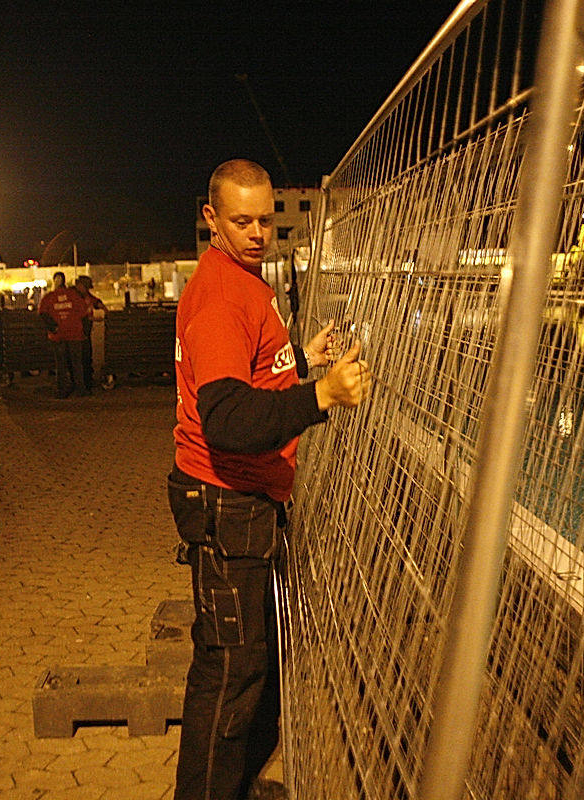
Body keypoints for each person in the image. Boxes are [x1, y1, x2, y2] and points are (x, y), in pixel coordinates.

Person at [167, 159, 370, 800]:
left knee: (252, 668)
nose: (257, 232)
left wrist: (298, 358)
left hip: (244, 502)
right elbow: (225, 414)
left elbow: (250, 372)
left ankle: (237, 787)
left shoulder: (244, 282)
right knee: (229, 675)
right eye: (240, 220)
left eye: (265, 220)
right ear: (211, 219)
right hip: (227, 503)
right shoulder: (224, 294)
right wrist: (320, 396)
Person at [37, 271, 90, 397]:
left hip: (58, 336)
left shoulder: (49, 297)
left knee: (61, 365)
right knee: (77, 364)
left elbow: (42, 313)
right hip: (75, 334)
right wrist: (85, 332)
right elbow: (84, 314)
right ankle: (80, 389)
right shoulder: (73, 296)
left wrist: (53, 327)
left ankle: (62, 390)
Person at [73, 275, 106, 390]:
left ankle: (87, 381)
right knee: (79, 357)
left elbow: (95, 301)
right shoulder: (73, 296)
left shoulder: (85, 296)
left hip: (85, 332)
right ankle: (81, 383)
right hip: (76, 333)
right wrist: (93, 319)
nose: (87, 290)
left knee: (87, 357)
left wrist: (102, 307)